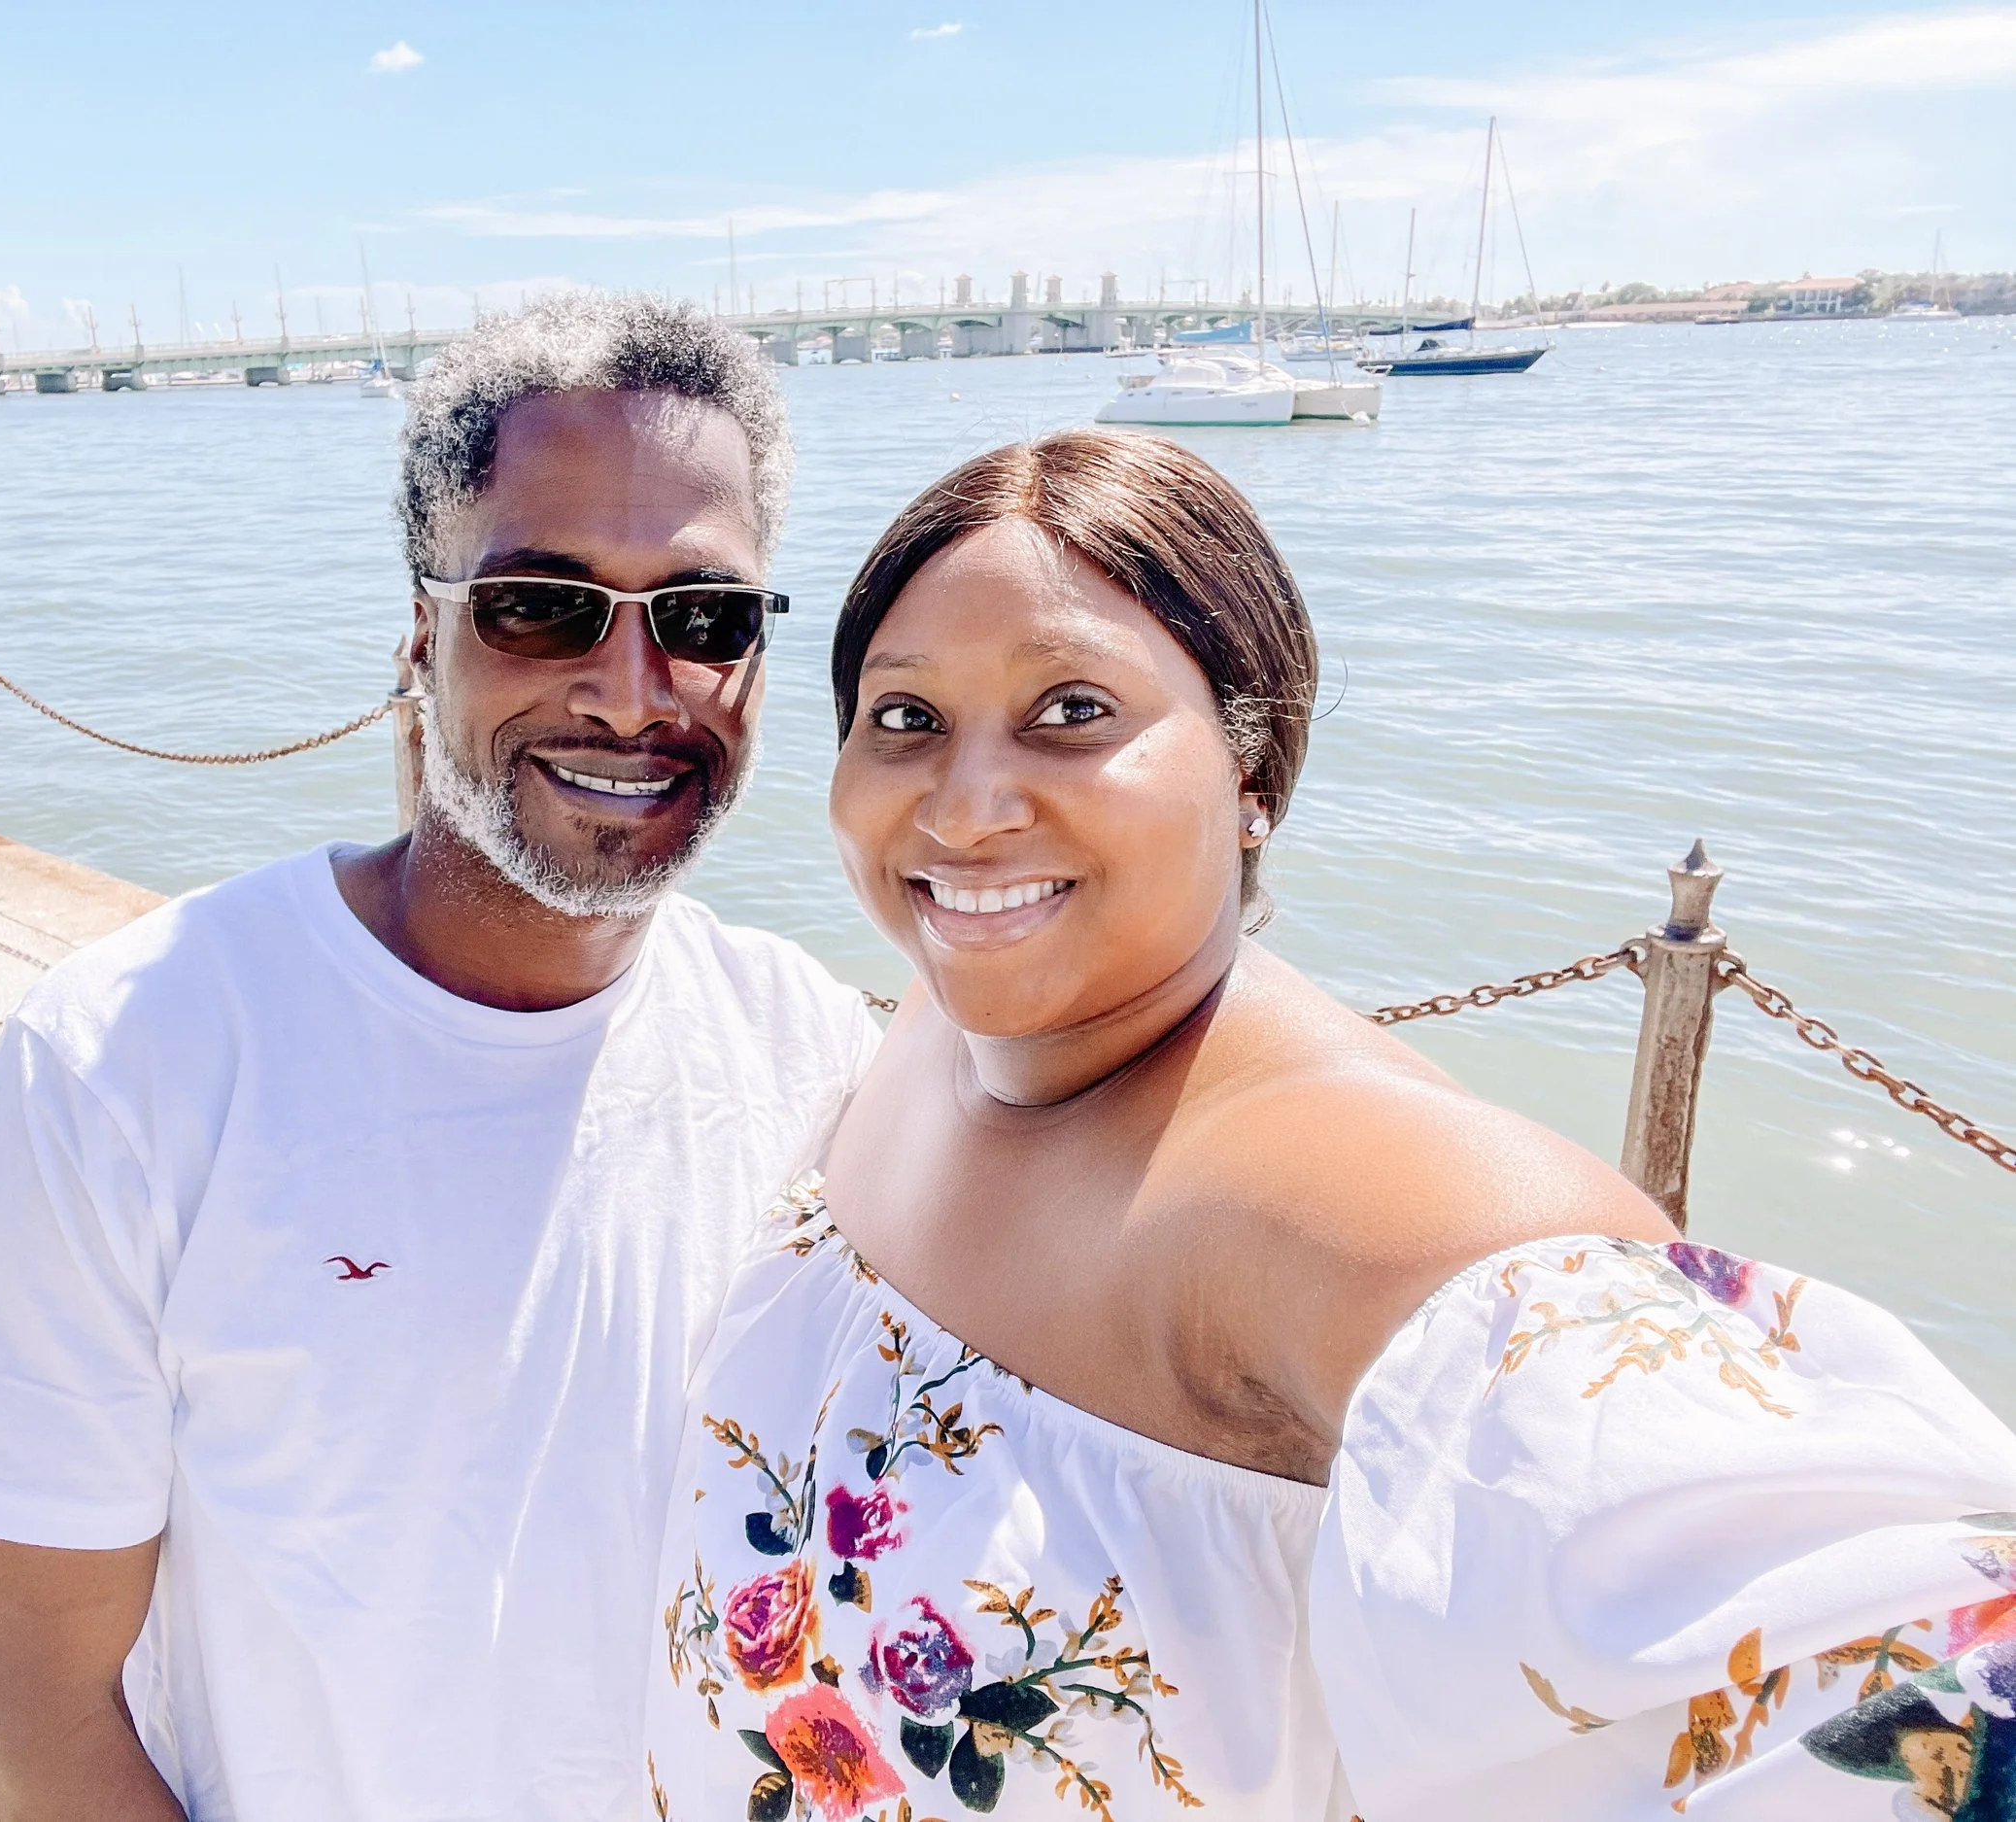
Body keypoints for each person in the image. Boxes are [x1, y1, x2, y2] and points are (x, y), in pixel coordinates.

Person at [643, 430, 2016, 1822]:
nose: (965, 803)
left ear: (1252, 773)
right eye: (905, 716)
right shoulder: (932, 1033)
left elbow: (1907, 1679)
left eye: (1072, 710)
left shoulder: (1369, 1197)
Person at [0, 294, 881, 1822]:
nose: (630, 688)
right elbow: (21, 1727)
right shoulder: (130, 1059)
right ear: (422, 632)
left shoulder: (812, 1051)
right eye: (540, 605)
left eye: (702, 617)